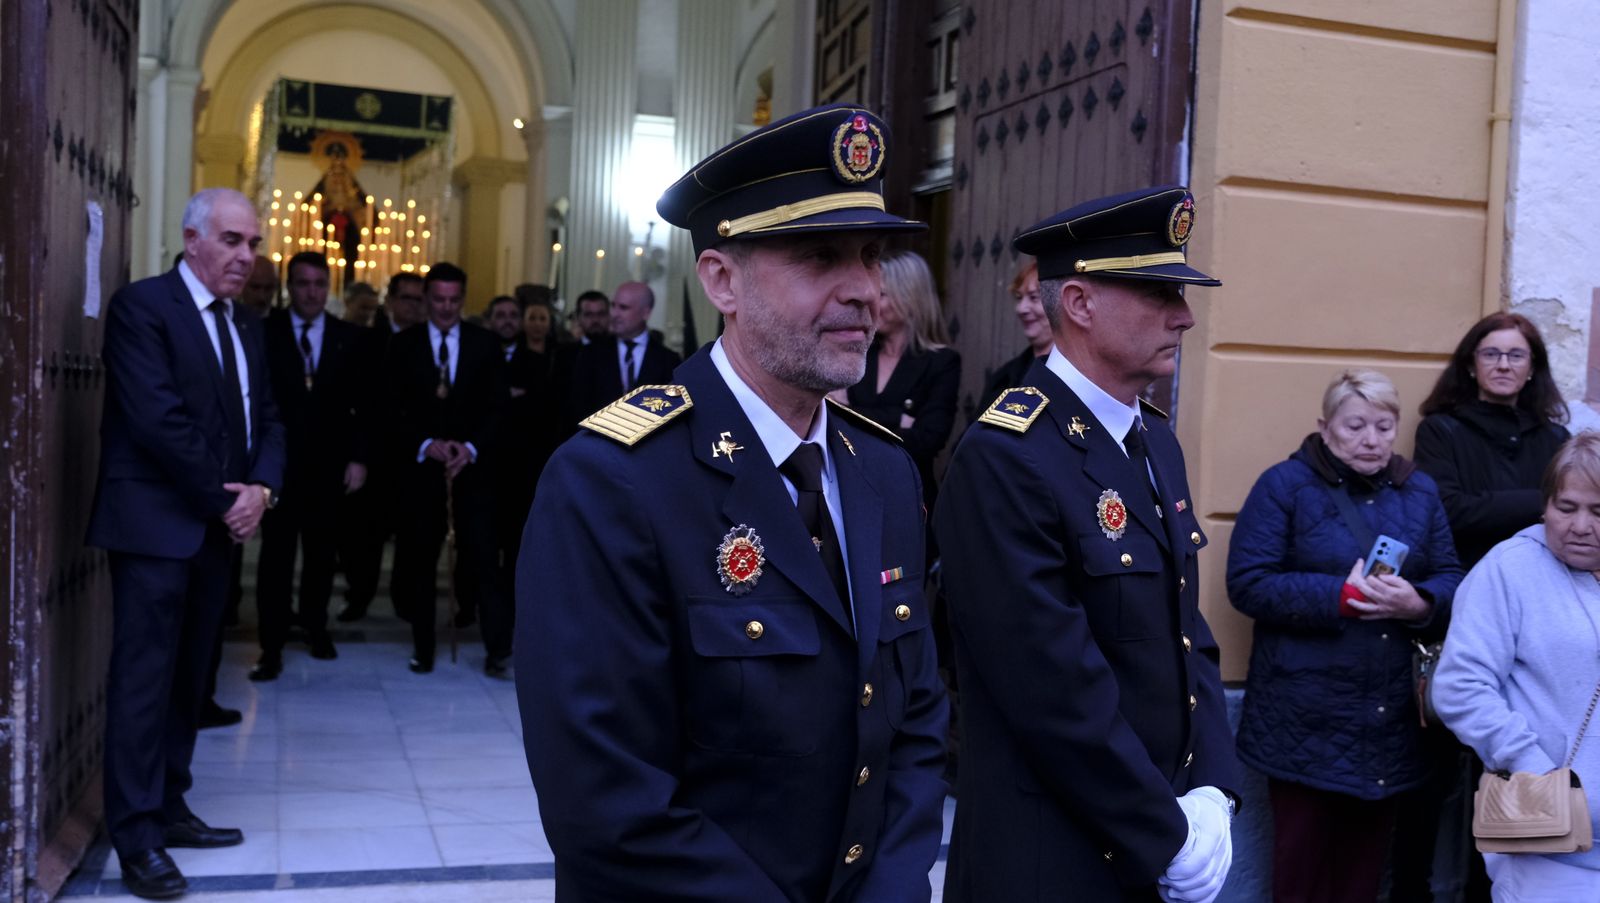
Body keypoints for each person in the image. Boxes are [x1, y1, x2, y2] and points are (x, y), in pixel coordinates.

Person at [516, 103, 949, 901]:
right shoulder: (611, 481)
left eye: (872, 256)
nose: (865, 290)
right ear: (722, 280)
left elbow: (915, 719)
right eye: (822, 257)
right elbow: (605, 797)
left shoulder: (884, 471)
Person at [936, 186, 1240, 902]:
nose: (1185, 315)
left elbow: (1185, 631)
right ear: (1078, 302)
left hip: (1151, 844)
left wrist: (1214, 791)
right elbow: (1052, 689)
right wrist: (1164, 831)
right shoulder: (1006, 457)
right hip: (1052, 857)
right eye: (1158, 291)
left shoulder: (1153, 440)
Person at [86, 188, 285, 899]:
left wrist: (263, 485)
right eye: (233, 241)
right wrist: (231, 500)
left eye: (254, 243)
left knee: (189, 681)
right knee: (145, 680)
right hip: (155, 527)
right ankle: (135, 834)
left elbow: (268, 416)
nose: (247, 257)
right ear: (193, 238)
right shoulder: (143, 308)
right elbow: (160, 423)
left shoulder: (246, 324)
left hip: (214, 528)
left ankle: (170, 804)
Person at [1228, 367, 1464, 903]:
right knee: (1301, 870)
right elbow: (1248, 582)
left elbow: (1452, 578)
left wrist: (1420, 602)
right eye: (1356, 425)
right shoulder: (1284, 485)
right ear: (1325, 425)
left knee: (1361, 875)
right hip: (1303, 714)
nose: (1371, 439)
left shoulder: (1418, 490)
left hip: (1388, 717)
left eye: (1384, 426)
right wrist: (1339, 597)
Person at [1403, 313, 1570, 902]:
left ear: (1533, 369)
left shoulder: (1554, 440)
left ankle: (1489, 893)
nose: (1504, 365)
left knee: (1510, 779)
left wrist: (1514, 507)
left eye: (1516, 356)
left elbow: (1488, 509)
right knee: (1440, 780)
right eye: (1492, 354)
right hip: (1459, 618)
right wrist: (1542, 504)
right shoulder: (1442, 430)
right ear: (1471, 364)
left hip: (1542, 621)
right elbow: (1449, 512)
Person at [1433, 432, 1600, 902]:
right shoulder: (1511, 568)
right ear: (1545, 505)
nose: (1580, 525)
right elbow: (1459, 686)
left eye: (1598, 511)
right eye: (1566, 507)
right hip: (1546, 844)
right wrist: (1535, 769)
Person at [250, 251, 374, 680]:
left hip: (328, 466)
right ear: (290, 287)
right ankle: (271, 643)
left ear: (329, 288)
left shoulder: (350, 337)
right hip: (279, 466)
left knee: (321, 555)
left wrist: (358, 458)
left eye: (319, 285)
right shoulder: (266, 332)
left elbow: (363, 404)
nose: (311, 293)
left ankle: (317, 627)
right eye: (303, 284)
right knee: (276, 558)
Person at [384, 262, 506, 674]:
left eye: (454, 300)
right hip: (422, 475)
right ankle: (424, 646)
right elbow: (390, 410)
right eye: (438, 299)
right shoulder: (403, 346)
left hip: (473, 474)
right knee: (420, 562)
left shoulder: (485, 344)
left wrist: (470, 448)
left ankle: (496, 648)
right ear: (426, 299)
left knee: (485, 560)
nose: (446, 308)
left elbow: (498, 408)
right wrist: (424, 444)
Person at [337, 271, 427, 621]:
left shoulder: (429, 341)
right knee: (366, 535)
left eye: (419, 299)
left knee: (411, 536)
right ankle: (359, 595)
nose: (413, 306)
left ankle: (404, 599)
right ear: (390, 302)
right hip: (376, 453)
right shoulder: (370, 339)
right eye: (407, 298)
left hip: (416, 455)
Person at [843, 250, 960, 511]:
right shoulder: (857, 351)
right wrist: (898, 419)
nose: (872, 300)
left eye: (882, 294)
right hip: (853, 496)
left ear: (909, 297)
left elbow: (928, 440)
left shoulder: (942, 362)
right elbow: (833, 421)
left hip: (909, 501)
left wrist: (853, 412)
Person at [568, 281, 681, 419]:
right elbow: (576, 408)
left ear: (645, 313)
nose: (614, 314)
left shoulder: (669, 360)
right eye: (613, 306)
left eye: (623, 307)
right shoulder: (590, 354)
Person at [979, 259, 1053, 411]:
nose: (1021, 308)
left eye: (1033, 297)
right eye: (1019, 298)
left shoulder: (1078, 376)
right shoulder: (1004, 378)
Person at [486, 294, 523, 361]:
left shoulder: (535, 361)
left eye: (513, 315)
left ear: (521, 321)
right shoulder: (478, 358)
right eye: (500, 316)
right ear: (489, 321)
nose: (508, 321)